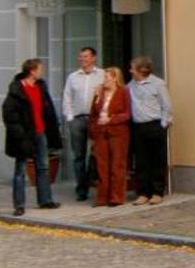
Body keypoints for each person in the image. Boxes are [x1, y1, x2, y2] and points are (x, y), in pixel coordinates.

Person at [2, 58, 62, 214]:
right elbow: (9, 114)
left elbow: (47, 109)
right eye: (40, 69)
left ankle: (45, 200)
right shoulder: (16, 89)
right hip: (24, 134)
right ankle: (19, 205)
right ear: (32, 71)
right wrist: (19, 134)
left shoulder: (41, 87)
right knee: (20, 170)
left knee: (43, 166)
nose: (42, 72)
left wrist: (53, 128)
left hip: (40, 131)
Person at [127, 56, 172, 205]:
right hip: (138, 126)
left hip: (154, 125)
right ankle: (143, 192)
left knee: (157, 160)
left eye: (133, 67)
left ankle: (157, 192)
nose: (130, 70)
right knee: (141, 161)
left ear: (141, 69)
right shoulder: (130, 86)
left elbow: (167, 105)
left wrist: (163, 124)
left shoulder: (158, 84)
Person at [60, 46, 102, 202]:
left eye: (85, 56)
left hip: (94, 119)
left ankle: (95, 182)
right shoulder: (73, 77)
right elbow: (67, 98)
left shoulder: (102, 75)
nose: (82, 59)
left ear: (93, 58)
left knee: (96, 153)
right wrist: (70, 117)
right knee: (78, 156)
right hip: (77, 119)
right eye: (80, 57)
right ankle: (81, 189)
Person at [89, 66, 131, 207]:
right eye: (104, 77)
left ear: (115, 78)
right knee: (102, 166)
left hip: (118, 133)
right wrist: (93, 131)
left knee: (117, 165)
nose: (104, 80)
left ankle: (116, 197)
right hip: (101, 132)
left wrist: (111, 119)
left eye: (107, 77)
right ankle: (102, 198)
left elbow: (127, 114)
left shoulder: (123, 92)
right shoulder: (99, 92)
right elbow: (93, 113)